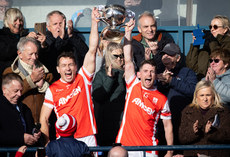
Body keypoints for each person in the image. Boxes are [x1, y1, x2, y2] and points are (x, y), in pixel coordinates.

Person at [40, 7, 100, 151]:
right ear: (58, 69)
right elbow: (43, 119)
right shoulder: (52, 89)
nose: (68, 69)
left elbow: (92, 50)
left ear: (75, 67)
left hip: (87, 137)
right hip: (64, 140)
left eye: (71, 65)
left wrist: (94, 22)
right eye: (64, 66)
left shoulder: (83, 79)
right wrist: (48, 144)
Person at [115, 18, 173, 157]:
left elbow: (167, 126)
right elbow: (128, 59)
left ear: (155, 75)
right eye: (145, 71)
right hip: (124, 146)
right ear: (139, 74)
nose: (149, 74)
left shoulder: (161, 99)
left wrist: (170, 151)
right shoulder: (133, 84)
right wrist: (128, 33)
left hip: (149, 150)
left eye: (152, 71)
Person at [3, 37, 53, 123]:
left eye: (36, 53)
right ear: (20, 54)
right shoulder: (10, 72)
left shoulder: (46, 73)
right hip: (20, 123)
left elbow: (56, 94)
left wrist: (44, 86)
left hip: (43, 124)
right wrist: (31, 80)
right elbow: (8, 95)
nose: (34, 57)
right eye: (30, 54)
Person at [157, 43, 197, 150]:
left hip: (182, 123)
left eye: (169, 55)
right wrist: (162, 84)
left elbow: (193, 91)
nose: (166, 57)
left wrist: (171, 81)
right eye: (163, 55)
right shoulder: (158, 73)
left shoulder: (188, 72)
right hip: (162, 125)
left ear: (178, 58)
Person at [178, 80, 230, 157]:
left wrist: (212, 132)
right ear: (196, 97)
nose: (205, 99)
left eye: (208, 95)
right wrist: (193, 131)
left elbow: (228, 136)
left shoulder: (223, 111)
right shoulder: (187, 111)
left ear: (214, 96)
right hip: (193, 154)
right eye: (202, 95)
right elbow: (182, 138)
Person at [39, 10, 89, 81]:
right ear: (48, 27)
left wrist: (71, 35)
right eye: (55, 24)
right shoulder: (45, 40)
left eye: (61, 24)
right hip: (55, 81)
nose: (58, 27)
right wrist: (60, 38)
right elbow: (51, 57)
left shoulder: (70, 37)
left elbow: (86, 53)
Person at [92, 42, 126, 147]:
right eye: (116, 56)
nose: (120, 59)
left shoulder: (128, 73)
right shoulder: (101, 74)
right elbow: (98, 96)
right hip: (106, 123)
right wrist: (109, 79)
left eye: (122, 56)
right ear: (109, 57)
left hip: (124, 123)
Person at [0, 73, 41, 156]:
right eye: (16, 91)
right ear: (4, 90)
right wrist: (21, 138)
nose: (19, 94)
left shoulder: (24, 108)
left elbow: (30, 127)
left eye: (21, 91)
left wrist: (35, 133)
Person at [0, 8, 46, 76]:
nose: (18, 23)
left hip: (29, 73)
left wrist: (42, 45)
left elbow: (37, 57)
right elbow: (5, 52)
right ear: (8, 22)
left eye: (20, 20)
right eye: (15, 20)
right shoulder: (1, 35)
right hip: (8, 75)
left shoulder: (25, 34)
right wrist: (25, 40)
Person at [186, 15, 230, 81]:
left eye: (215, 27)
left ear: (225, 30)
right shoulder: (207, 46)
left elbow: (220, 59)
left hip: (221, 82)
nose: (212, 29)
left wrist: (212, 41)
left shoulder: (227, 44)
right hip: (203, 83)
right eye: (210, 27)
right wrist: (195, 45)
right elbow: (191, 66)